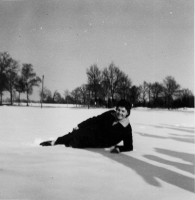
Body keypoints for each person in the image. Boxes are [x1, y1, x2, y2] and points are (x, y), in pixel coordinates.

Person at [40, 99, 133, 154]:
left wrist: (118, 149)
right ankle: (55, 142)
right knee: (76, 133)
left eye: (123, 111)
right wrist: (80, 125)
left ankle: (67, 142)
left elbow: (129, 146)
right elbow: (95, 119)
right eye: (118, 110)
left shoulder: (127, 128)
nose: (119, 113)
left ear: (127, 113)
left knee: (74, 143)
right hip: (93, 131)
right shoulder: (110, 114)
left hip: (100, 143)